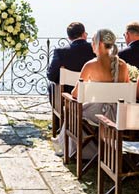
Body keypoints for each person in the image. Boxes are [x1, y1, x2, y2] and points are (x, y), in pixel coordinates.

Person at [52, 29, 129, 157]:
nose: (91, 44)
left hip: (97, 114)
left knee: (72, 109)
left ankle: (71, 148)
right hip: (118, 114)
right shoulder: (123, 65)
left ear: (99, 44)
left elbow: (75, 94)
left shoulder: (91, 65)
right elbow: (126, 90)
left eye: (93, 41)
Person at [46, 22, 95, 105]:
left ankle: (60, 114)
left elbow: (51, 76)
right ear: (84, 34)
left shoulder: (60, 52)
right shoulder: (95, 49)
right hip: (90, 93)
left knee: (51, 86)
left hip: (67, 95)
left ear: (69, 37)